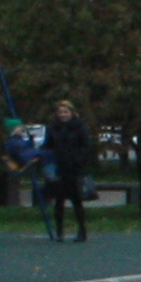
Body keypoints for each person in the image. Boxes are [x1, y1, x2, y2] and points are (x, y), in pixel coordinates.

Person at [45, 100, 93, 243]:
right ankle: (59, 231)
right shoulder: (53, 128)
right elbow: (48, 145)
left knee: (76, 200)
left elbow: (86, 146)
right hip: (59, 169)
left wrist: (78, 161)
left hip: (74, 169)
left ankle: (82, 231)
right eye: (60, 112)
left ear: (71, 112)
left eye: (65, 112)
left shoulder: (79, 127)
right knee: (59, 201)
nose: (63, 115)